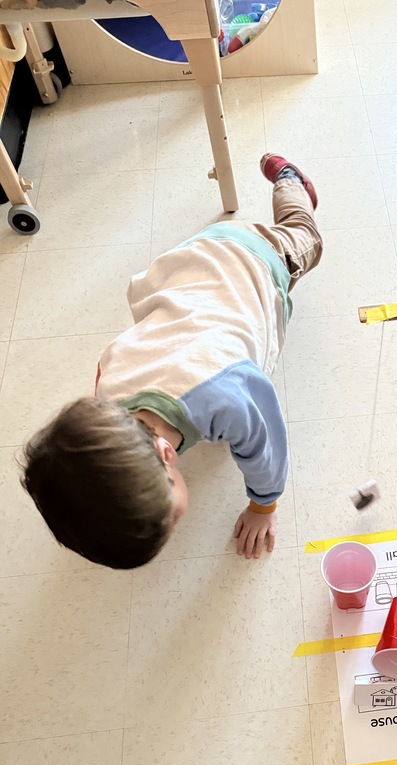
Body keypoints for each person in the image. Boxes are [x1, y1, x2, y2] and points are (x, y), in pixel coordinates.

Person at [21, 154, 322, 569]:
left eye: (173, 517)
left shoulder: (226, 396)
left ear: (167, 453)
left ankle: (291, 182)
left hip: (258, 257)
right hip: (194, 258)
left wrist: (263, 506)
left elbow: (265, 443)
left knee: (304, 236)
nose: (174, 524)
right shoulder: (108, 393)